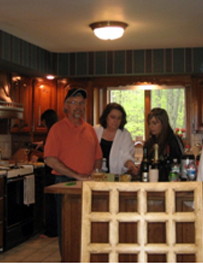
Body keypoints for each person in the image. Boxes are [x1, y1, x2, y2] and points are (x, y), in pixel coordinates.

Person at [44, 88, 103, 256]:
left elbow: (98, 156)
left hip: (88, 184)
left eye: (81, 103)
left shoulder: (89, 129)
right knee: (69, 228)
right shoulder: (57, 129)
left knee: (89, 226)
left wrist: (95, 170)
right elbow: (50, 159)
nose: (78, 106)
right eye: (74, 102)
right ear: (65, 106)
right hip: (65, 184)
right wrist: (76, 175)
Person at [30, 109, 59, 238]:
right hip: (55, 172)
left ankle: (51, 231)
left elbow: (53, 156)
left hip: (51, 172)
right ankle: (54, 230)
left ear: (47, 121)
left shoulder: (52, 132)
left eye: (44, 122)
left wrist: (39, 158)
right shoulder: (57, 131)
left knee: (51, 202)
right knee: (54, 202)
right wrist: (42, 146)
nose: (43, 125)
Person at [94, 103, 139, 175]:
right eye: (113, 117)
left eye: (119, 118)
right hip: (96, 176)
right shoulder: (95, 131)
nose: (115, 121)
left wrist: (129, 163)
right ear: (106, 117)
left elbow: (126, 155)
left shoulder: (125, 135)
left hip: (116, 177)